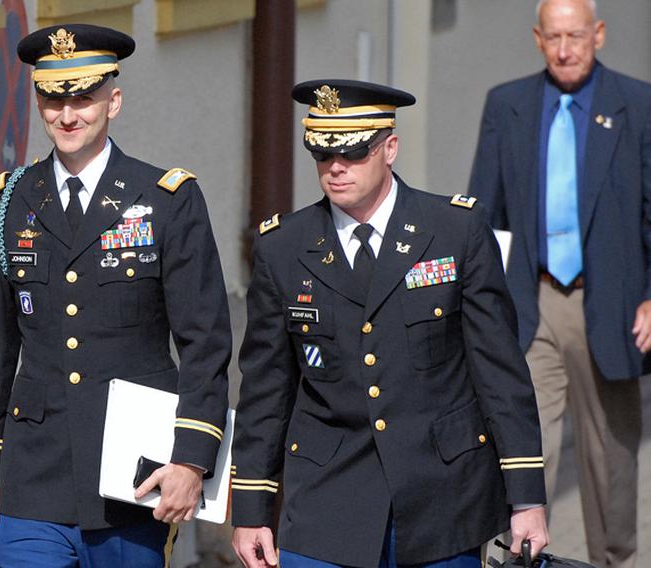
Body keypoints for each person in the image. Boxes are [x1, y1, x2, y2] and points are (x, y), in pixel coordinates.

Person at [230, 79, 549, 568]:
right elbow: (266, 389)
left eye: (354, 153)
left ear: (390, 147)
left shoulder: (454, 232)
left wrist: (527, 497)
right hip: (326, 500)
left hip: (442, 498)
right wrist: (251, 508)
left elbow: (500, 373)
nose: (336, 167)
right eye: (322, 154)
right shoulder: (283, 247)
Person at [0, 23, 232, 567]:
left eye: (83, 99)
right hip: (36, 468)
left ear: (114, 101)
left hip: (134, 475)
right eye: (52, 99)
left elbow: (205, 342)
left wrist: (192, 460)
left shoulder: (165, 199)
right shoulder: (8, 201)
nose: (67, 115)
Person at [468, 1, 651, 566]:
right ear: (537, 39)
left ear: (598, 34)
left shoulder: (638, 104)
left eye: (576, 35)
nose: (565, 49)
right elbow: (484, 213)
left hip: (612, 300)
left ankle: (613, 558)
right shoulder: (509, 105)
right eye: (554, 37)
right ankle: (522, 556)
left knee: (609, 455)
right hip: (533, 296)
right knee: (525, 439)